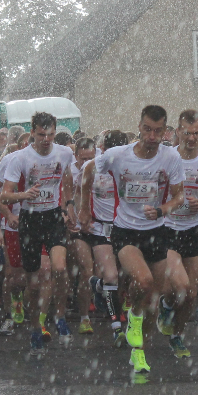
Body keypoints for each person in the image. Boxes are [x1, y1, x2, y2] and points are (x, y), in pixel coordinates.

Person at [92, 105, 189, 378]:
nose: (152, 136)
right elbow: (90, 169)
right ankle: (131, 315)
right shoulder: (117, 155)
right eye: (147, 129)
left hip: (156, 229)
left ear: (165, 131)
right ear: (139, 126)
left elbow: (179, 196)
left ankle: (140, 352)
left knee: (155, 300)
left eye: (158, 131)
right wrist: (77, 202)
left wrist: (162, 210)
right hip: (125, 230)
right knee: (144, 282)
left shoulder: (170, 157)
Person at [0, 112, 77, 352]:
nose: (46, 139)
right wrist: (23, 195)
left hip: (52, 216)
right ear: (32, 132)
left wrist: (68, 206)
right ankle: (35, 328)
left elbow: (67, 180)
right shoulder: (20, 158)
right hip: (29, 219)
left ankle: (60, 316)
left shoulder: (64, 153)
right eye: (41, 134)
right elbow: (4, 194)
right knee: (32, 283)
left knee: (60, 267)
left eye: (51, 135)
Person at [162, 110, 198, 357]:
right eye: (187, 133)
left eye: (196, 133)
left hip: (194, 229)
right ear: (178, 132)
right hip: (168, 229)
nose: (192, 138)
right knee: (180, 287)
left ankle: (176, 335)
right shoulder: (166, 157)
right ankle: (165, 304)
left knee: (191, 293)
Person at [78, 130, 128, 344]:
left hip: (125, 228)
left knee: (125, 276)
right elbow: (84, 187)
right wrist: (83, 211)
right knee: (111, 276)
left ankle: (97, 285)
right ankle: (117, 327)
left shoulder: (129, 168)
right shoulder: (91, 166)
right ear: (103, 150)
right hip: (100, 228)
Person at [0, 127, 28, 336]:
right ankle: (8, 314)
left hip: (38, 223)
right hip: (14, 225)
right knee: (12, 273)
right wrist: (7, 215)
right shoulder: (10, 160)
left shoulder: (50, 158)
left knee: (37, 271)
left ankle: (34, 313)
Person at [67, 138, 97, 336]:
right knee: (85, 270)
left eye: (90, 158)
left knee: (101, 272)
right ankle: (84, 316)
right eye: (82, 158)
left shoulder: (101, 167)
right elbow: (70, 198)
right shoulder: (69, 171)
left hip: (98, 226)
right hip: (76, 226)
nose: (86, 162)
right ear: (76, 156)